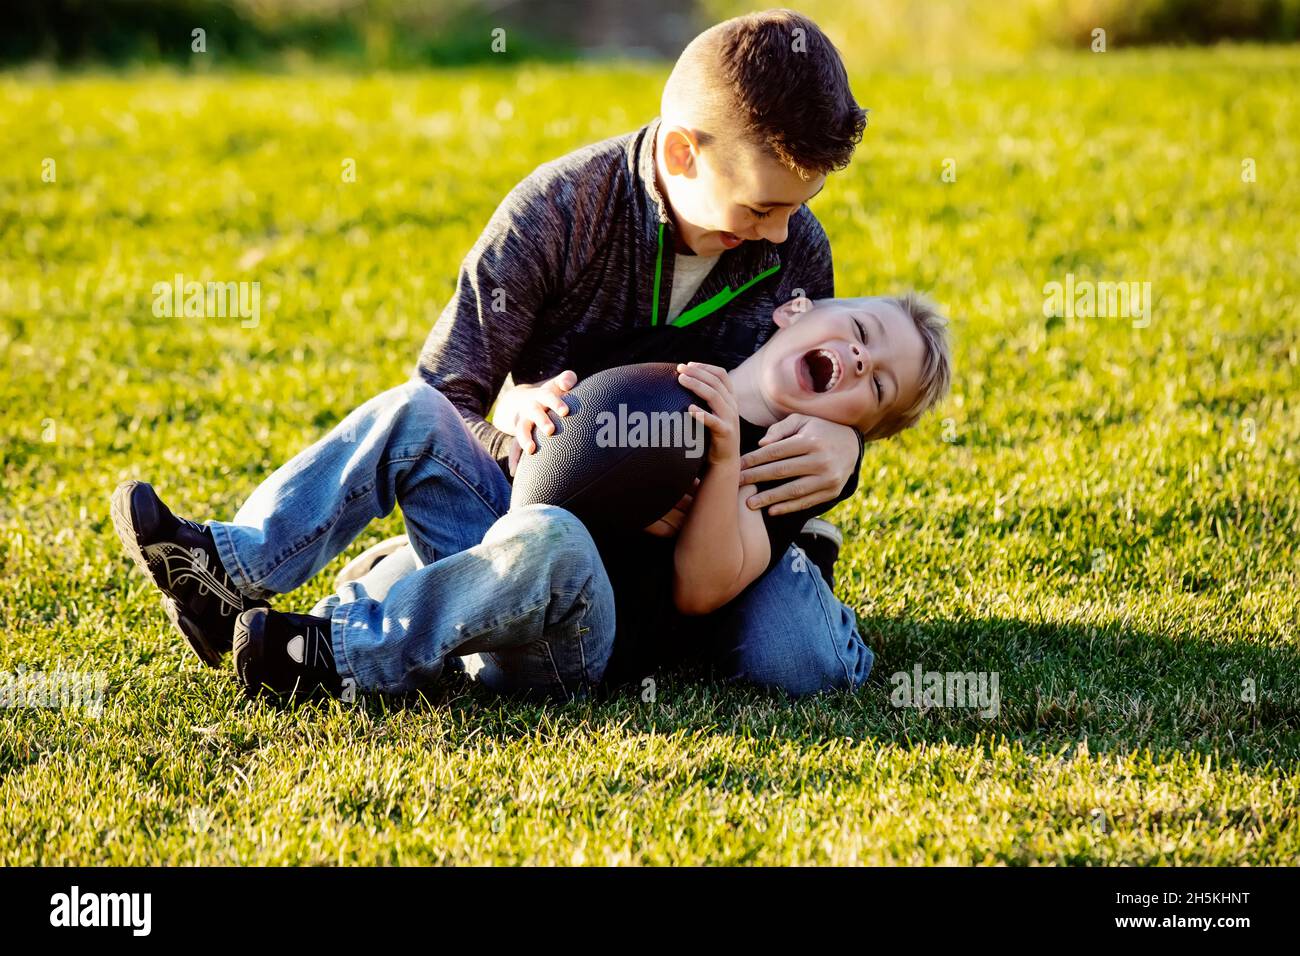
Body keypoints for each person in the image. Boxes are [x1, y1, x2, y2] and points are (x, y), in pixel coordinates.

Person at [110, 293, 951, 701]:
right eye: (863, 335)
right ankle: (227, 571)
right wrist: (513, 404)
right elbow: (548, 438)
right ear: (798, 310)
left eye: (873, 388)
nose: (856, 362)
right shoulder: (669, 350)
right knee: (417, 413)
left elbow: (701, 588)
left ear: (858, 429)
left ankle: (341, 656)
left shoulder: (784, 462)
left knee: (553, 538)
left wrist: (724, 456)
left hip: (572, 643)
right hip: (498, 548)